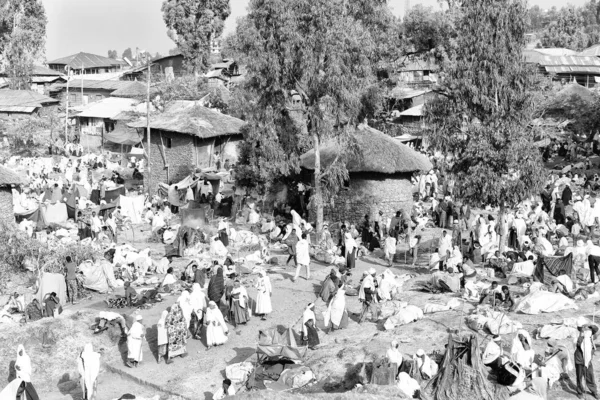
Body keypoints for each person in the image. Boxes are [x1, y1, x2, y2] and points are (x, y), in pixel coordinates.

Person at [575, 324, 599, 399]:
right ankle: (579, 392)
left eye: (588, 331)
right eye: (586, 331)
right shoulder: (577, 336)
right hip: (580, 360)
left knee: (590, 376)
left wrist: (590, 326)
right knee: (579, 376)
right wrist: (581, 334)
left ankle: (594, 391)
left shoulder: (591, 337)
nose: (587, 332)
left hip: (588, 360)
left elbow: (596, 329)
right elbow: (578, 343)